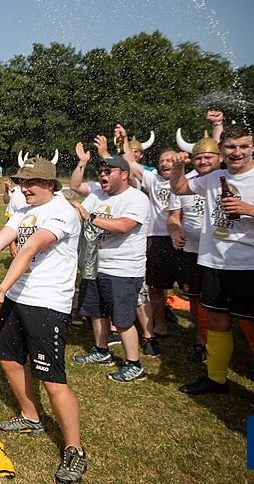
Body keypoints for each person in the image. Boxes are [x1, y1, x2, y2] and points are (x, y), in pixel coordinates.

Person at [0, 156, 87, 484]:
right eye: (22, 182)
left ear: (50, 184)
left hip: (47, 302)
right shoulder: (25, 211)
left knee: (52, 380)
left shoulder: (62, 212)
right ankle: (30, 416)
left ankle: (75, 450)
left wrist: (2, 285)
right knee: (9, 359)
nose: (24, 188)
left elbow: (30, 249)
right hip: (18, 298)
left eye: (30, 182)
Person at [169, 123, 254, 415]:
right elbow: (179, 188)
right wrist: (178, 167)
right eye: (230, 147)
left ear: (253, 147)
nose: (237, 152)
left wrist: (252, 211)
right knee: (216, 321)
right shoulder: (214, 178)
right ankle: (216, 379)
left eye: (243, 146)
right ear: (221, 150)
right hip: (215, 262)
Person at [70, 155, 151, 383]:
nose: (102, 175)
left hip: (123, 269)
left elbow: (124, 226)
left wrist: (90, 217)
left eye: (108, 171)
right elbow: (78, 214)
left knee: (122, 319)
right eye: (101, 171)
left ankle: (134, 364)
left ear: (124, 175)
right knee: (97, 312)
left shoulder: (136, 198)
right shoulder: (97, 195)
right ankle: (102, 351)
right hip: (94, 265)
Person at [116, 123, 179, 350]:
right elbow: (130, 162)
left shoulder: (191, 180)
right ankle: (160, 324)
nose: (165, 163)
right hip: (157, 238)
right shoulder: (153, 179)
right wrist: (123, 140)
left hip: (188, 240)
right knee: (156, 286)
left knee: (194, 290)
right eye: (162, 160)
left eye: (170, 160)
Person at [168, 129, 222, 363]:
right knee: (195, 298)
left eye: (208, 156)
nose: (203, 161)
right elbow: (173, 217)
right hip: (192, 251)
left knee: (225, 304)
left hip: (223, 254)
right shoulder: (184, 181)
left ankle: (251, 354)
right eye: (199, 157)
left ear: (219, 157)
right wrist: (175, 231)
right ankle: (201, 342)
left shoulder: (229, 179)